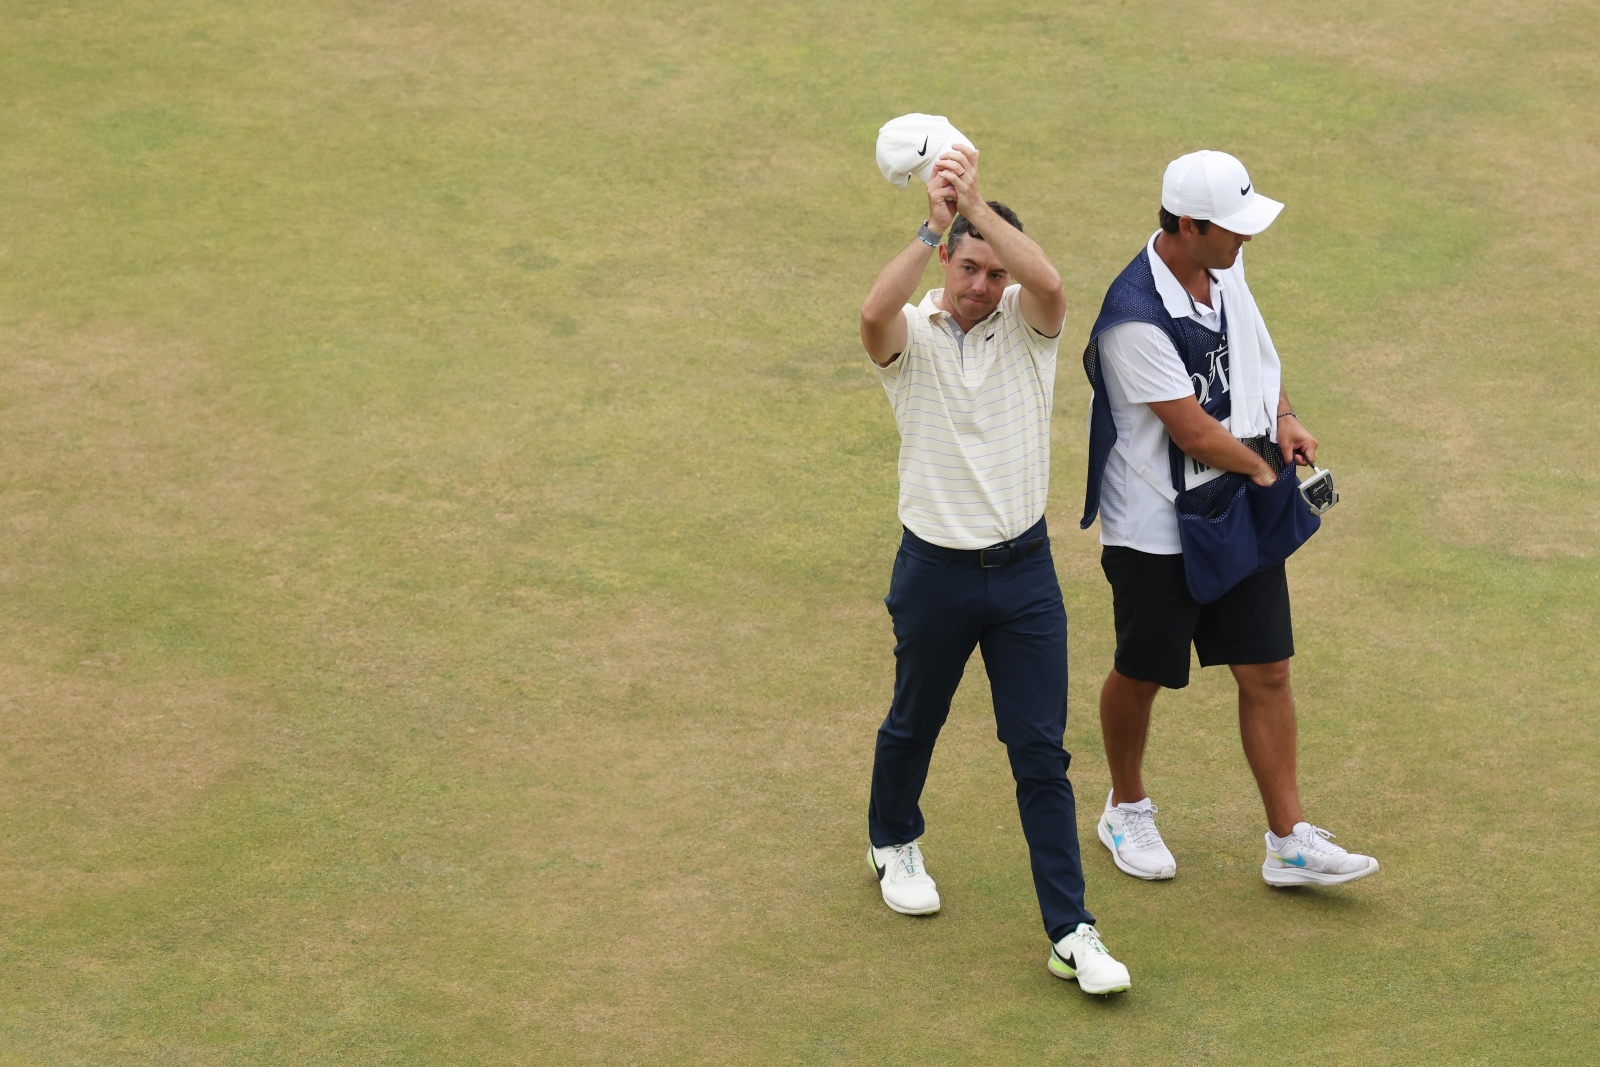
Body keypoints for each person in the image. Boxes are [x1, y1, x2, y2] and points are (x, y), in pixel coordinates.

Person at [858, 143, 1130, 995]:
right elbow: (872, 315)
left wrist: (977, 211)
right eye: (968, 266)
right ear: (946, 262)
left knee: (1040, 752)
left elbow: (1050, 286)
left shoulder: (1028, 326)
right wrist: (931, 225)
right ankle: (893, 836)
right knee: (916, 719)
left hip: (1023, 579)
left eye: (992, 268)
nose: (983, 284)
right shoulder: (916, 337)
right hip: (933, 570)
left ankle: (1072, 931)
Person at [1079, 150, 1379, 888]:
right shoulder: (1131, 320)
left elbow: (1253, 354)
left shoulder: (1224, 266)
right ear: (1187, 225)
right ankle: (1125, 804)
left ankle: (1287, 840)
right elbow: (1192, 432)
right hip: (1154, 525)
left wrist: (1282, 416)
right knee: (1142, 671)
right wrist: (1265, 472)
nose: (1246, 240)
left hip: (1230, 502)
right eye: (1232, 229)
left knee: (1268, 668)